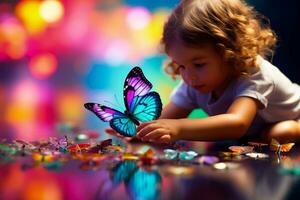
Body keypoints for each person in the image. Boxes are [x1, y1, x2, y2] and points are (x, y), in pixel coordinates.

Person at [108, 0, 300, 144]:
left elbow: (237, 123)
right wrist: (139, 130)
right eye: (180, 66)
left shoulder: (254, 73)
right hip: (261, 128)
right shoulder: (195, 81)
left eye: (199, 64)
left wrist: (179, 127)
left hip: (294, 116)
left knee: (279, 133)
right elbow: (165, 119)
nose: (188, 76)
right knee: (268, 136)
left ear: (229, 52)